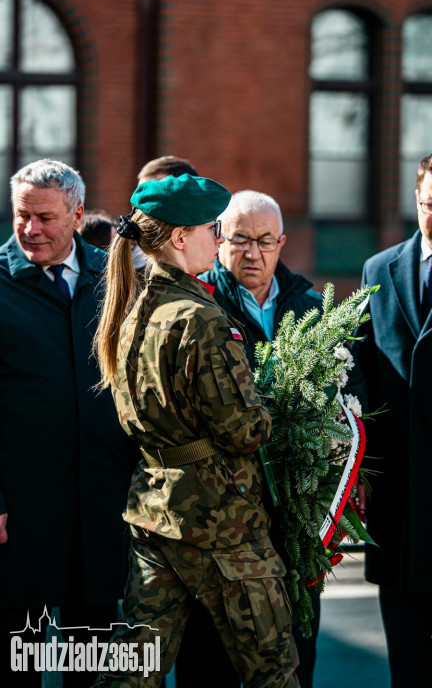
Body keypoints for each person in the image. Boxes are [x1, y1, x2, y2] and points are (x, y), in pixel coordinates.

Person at [93, 173, 299, 687]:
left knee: (133, 671)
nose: (220, 237)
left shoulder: (135, 306)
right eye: (213, 227)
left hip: (156, 510)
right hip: (219, 521)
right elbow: (244, 430)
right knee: (272, 669)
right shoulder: (201, 318)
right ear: (181, 237)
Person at [0, 159, 133, 688]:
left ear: (78, 215)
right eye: (21, 216)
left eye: (46, 218)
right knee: (18, 662)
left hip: (100, 508)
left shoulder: (118, 278)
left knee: (93, 663)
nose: (30, 229)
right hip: (19, 515)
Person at [199, 189, 322, 688]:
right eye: (241, 240)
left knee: (294, 645)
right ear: (219, 239)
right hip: (224, 510)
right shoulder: (198, 301)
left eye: (265, 242)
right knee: (219, 654)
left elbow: (349, 393)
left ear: (282, 243)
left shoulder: (311, 304)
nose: (253, 253)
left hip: (296, 509)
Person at [353, 154, 432, 686]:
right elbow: (357, 374)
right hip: (400, 508)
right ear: (416, 199)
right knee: (406, 666)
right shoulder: (378, 270)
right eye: (431, 204)